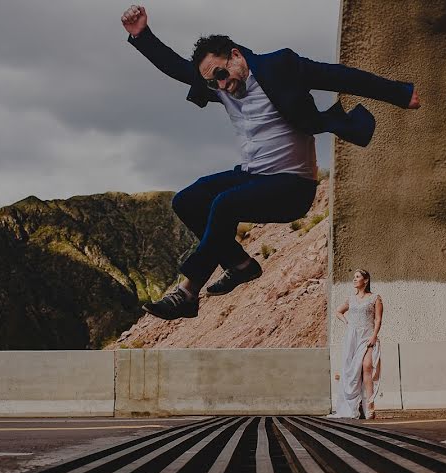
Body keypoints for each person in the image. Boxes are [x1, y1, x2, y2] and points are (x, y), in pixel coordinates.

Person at [121, 5, 421, 320]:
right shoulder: (219, 87)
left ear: (235, 55)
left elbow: (339, 76)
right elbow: (177, 68)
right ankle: (241, 265)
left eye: (221, 75)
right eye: (213, 83)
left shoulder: (281, 66)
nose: (221, 86)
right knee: (187, 200)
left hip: (293, 186)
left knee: (224, 204)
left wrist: (399, 94)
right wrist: (142, 35)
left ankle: (187, 292)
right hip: (253, 178)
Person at [330, 269, 382, 419]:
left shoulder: (375, 298)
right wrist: (347, 322)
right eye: (354, 277)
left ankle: (370, 405)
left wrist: (374, 336)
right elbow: (338, 311)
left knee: (367, 366)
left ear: (365, 280)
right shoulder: (351, 299)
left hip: (368, 337)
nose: (354, 279)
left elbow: (378, 319)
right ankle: (356, 406)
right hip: (352, 338)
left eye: (357, 277)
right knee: (352, 372)